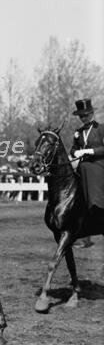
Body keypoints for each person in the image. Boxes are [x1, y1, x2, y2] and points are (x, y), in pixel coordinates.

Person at [70, 98, 104, 248]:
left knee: (93, 197)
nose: (83, 118)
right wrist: (76, 152)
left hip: (98, 165)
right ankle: (83, 235)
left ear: (91, 113)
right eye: (81, 116)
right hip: (83, 167)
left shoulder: (101, 128)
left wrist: (90, 151)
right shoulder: (78, 132)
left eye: (85, 115)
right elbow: (72, 149)